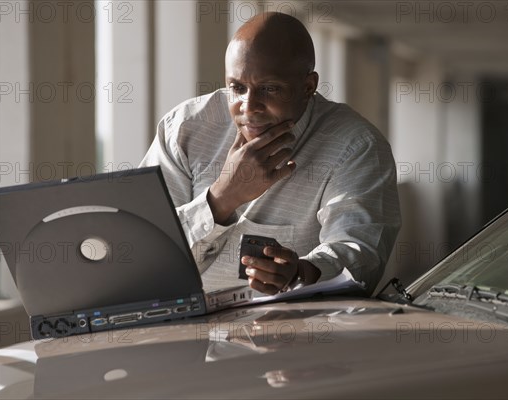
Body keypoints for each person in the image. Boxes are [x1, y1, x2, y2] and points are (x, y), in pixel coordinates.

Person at [140, 12, 401, 296]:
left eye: (269, 89)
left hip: (290, 332)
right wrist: (222, 198)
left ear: (308, 86)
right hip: (180, 328)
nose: (249, 106)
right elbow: (143, 248)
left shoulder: (356, 145)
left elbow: (361, 253)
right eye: (237, 88)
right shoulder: (185, 128)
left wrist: (302, 273)